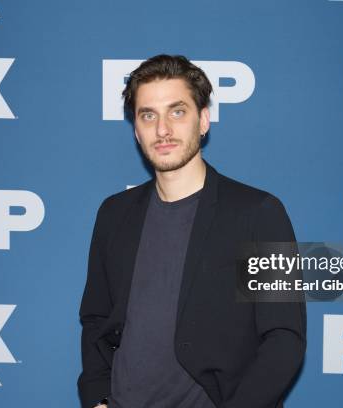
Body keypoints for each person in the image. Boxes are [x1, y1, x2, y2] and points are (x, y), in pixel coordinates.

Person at [78, 54, 306, 408]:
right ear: (136, 131)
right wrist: (98, 398)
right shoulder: (114, 214)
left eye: (177, 111)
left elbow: (284, 338)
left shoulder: (259, 213)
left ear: (203, 120)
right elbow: (95, 318)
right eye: (148, 115)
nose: (163, 129)